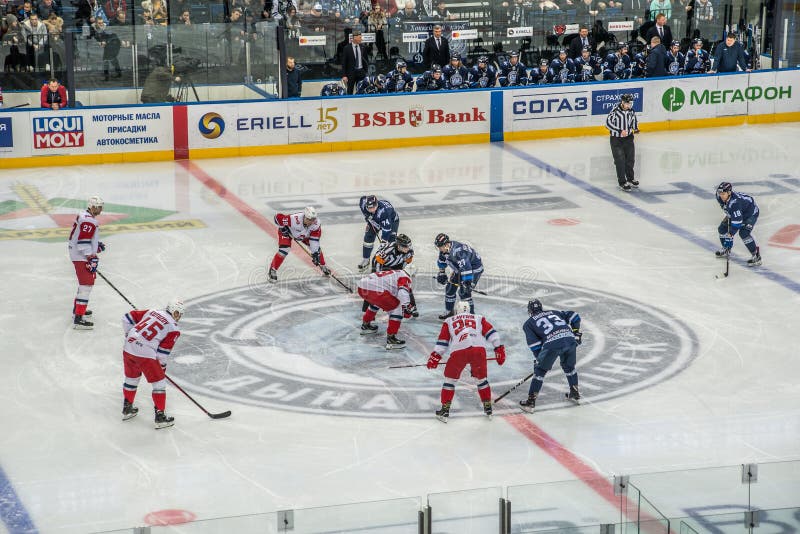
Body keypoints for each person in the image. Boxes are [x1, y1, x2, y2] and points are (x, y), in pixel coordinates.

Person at [427, 300, 506, 422]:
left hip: (459, 350)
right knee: (481, 379)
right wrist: (498, 348)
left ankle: (444, 411)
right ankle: (488, 407)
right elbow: (492, 334)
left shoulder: (449, 321)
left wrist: (435, 356)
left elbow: (443, 342)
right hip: (479, 350)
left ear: (456, 310)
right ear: (469, 309)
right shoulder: (479, 318)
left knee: (450, 380)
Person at [121, 299, 184, 429]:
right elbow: (162, 354)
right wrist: (161, 369)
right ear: (171, 310)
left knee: (131, 378)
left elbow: (126, 318)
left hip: (128, 347)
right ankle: (160, 417)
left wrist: (129, 336)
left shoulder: (152, 311)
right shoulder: (174, 328)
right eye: (177, 313)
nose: (178, 317)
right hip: (145, 352)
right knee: (159, 383)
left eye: (180, 314)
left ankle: (127, 408)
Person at [519, 299, 582, 413]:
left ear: (530, 311)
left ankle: (530, 403)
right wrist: (576, 332)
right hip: (569, 339)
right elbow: (574, 316)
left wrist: (539, 360)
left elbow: (535, 345)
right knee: (569, 368)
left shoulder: (528, 324)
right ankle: (575, 393)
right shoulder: (554, 312)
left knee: (540, 371)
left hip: (553, 344)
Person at [67, 196, 106, 329]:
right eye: (99, 207)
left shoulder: (84, 215)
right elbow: (82, 244)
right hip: (80, 255)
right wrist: (91, 256)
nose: (101, 209)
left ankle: (77, 310)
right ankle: (78, 318)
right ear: (93, 207)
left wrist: (95, 246)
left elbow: (83, 237)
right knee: (86, 285)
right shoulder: (88, 220)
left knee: (84, 285)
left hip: (78, 254)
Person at [357, 269, 414, 349]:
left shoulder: (394, 273)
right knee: (397, 308)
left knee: (377, 303)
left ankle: (366, 325)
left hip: (361, 287)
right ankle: (391, 339)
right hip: (376, 290)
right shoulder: (405, 277)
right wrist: (406, 306)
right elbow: (402, 292)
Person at [269, 206, 330, 281]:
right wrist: (282, 227)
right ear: (305, 217)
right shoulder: (294, 219)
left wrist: (315, 254)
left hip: (304, 235)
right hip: (287, 233)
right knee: (284, 250)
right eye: (310, 219)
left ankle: (323, 266)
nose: (312, 222)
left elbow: (314, 240)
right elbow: (277, 218)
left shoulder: (316, 224)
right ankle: (273, 269)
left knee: (317, 251)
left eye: (313, 219)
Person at [435, 233, 483, 319]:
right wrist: (441, 273)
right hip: (461, 269)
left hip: (474, 269)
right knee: (449, 289)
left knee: (464, 293)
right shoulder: (445, 250)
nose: (439, 249)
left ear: (446, 244)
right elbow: (441, 262)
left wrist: (467, 282)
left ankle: (471, 316)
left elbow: (466, 267)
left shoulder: (458, 251)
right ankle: (449, 311)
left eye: (440, 246)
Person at [714, 182, 761, 265]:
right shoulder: (719, 197)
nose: (721, 195)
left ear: (729, 193)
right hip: (737, 212)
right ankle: (726, 249)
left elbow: (737, 223)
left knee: (744, 233)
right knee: (722, 229)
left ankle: (756, 256)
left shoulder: (735, 203)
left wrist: (730, 234)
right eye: (720, 193)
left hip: (750, 214)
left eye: (723, 193)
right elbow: (726, 207)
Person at [605, 93, 639, 191]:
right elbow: (607, 124)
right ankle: (622, 182)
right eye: (628, 103)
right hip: (616, 140)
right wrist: (619, 130)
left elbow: (634, 120)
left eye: (631, 103)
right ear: (623, 102)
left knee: (630, 160)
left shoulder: (631, 111)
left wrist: (635, 128)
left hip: (629, 138)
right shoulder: (615, 111)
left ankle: (630, 179)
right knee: (620, 161)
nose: (630, 105)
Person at [358, 194, 400, 271]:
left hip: (392, 221)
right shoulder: (363, 204)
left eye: (373, 207)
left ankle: (391, 261)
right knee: (368, 237)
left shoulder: (384, 212)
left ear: (377, 204)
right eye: (369, 208)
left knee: (391, 241)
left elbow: (386, 231)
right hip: (375, 220)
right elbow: (362, 199)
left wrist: (383, 243)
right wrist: (368, 217)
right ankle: (366, 259)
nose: (371, 210)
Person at [341, 28, 367, 94]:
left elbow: (366, 60)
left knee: (361, 90)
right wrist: (344, 75)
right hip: (351, 73)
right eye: (360, 37)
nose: (361, 39)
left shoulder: (363, 47)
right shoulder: (347, 48)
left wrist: (365, 71)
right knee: (350, 91)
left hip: (361, 72)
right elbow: (344, 62)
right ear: (355, 38)